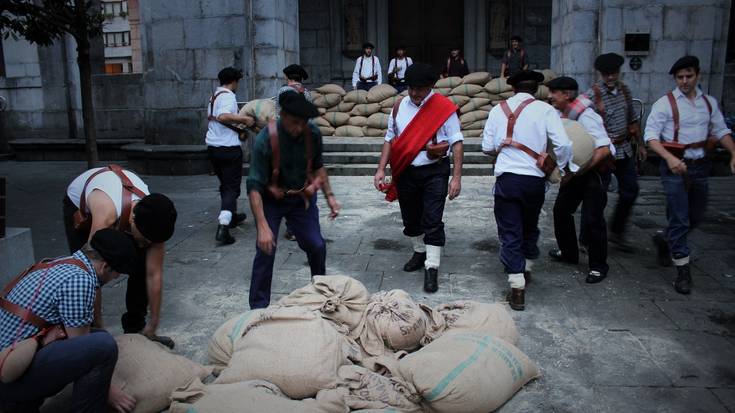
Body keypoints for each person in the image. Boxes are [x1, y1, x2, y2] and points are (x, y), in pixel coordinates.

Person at [0, 229, 139, 413]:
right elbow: (82, 345)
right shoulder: (80, 280)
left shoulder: (59, 263)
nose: (115, 278)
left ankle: (24, 404)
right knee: (103, 346)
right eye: (117, 273)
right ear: (105, 267)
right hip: (8, 374)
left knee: (98, 336)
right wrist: (109, 391)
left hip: (12, 358)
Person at [481, 70, 573, 311]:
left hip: (508, 179)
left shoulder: (497, 110)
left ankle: (517, 287)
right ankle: (527, 267)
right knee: (530, 225)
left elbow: (487, 147)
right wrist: (564, 167)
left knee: (510, 231)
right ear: (536, 90)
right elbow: (563, 144)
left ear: (513, 89)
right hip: (534, 180)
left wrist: (506, 145)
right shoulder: (546, 111)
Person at [645, 55, 735, 294]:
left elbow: (721, 129)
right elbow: (651, 137)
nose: (684, 81)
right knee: (680, 217)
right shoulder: (665, 104)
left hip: (701, 165)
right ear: (675, 78)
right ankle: (682, 270)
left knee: (696, 215)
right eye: (680, 77)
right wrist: (670, 158)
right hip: (675, 166)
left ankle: (665, 240)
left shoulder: (709, 103)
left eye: (689, 76)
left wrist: (733, 152)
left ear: (698, 75)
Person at [373, 63, 464, 293]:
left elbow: (457, 142)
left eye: (420, 89)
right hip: (406, 171)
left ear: (431, 87)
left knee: (432, 220)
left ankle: (431, 268)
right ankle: (419, 252)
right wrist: (381, 169)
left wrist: (456, 178)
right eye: (411, 88)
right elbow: (389, 139)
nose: (414, 93)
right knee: (411, 218)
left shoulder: (443, 108)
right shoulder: (398, 107)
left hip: (435, 171)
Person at [63, 166, 177, 347]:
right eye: (144, 240)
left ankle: (136, 328)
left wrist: (153, 325)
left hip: (124, 210)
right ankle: (92, 328)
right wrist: (100, 330)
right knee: (91, 271)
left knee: (140, 266)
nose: (146, 245)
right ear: (132, 221)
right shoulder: (107, 214)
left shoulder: (156, 220)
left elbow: (153, 274)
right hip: (81, 205)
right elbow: (91, 272)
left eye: (150, 242)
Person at [246, 91, 341, 309]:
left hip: (302, 198)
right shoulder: (266, 139)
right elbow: (253, 186)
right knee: (265, 249)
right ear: (283, 116)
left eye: (303, 123)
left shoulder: (313, 134)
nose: (299, 128)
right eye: (295, 123)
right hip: (271, 199)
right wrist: (262, 226)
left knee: (316, 246)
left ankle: (320, 295)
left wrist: (330, 197)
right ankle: (258, 309)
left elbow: (318, 166)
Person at [546, 76, 614, 284]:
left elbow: (604, 149)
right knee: (561, 211)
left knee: (593, 219)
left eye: (554, 93)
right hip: (575, 174)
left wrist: (578, 172)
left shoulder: (587, 116)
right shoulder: (559, 115)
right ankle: (569, 253)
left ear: (567, 94)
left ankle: (598, 266)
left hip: (593, 174)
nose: (550, 97)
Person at [583, 53, 643, 252]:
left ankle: (617, 231)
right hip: (603, 152)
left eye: (614, 73)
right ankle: (585, 238)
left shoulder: (625, 91)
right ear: (601, 74)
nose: (610, 77)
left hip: (624, 149)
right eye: (607, 74)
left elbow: (633, 121)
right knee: (596, 195)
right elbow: (576, 116)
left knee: (630, 190)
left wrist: (641, 145)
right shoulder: (592, 95)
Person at [206, 67, 254, 245]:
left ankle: (232, 216)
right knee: (231, 187)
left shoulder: (214, 97)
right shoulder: (228, 96)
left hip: (213, 147)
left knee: (226, 184)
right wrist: (245, 120)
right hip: (228, 149)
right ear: (234, 81)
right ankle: (223, 227)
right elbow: (223, 116)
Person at [276, 64, 314, 242]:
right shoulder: (307, 94)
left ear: (288, 77)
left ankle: (290, 226)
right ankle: (299, 225)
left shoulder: (282, 93)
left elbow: (277, 116)